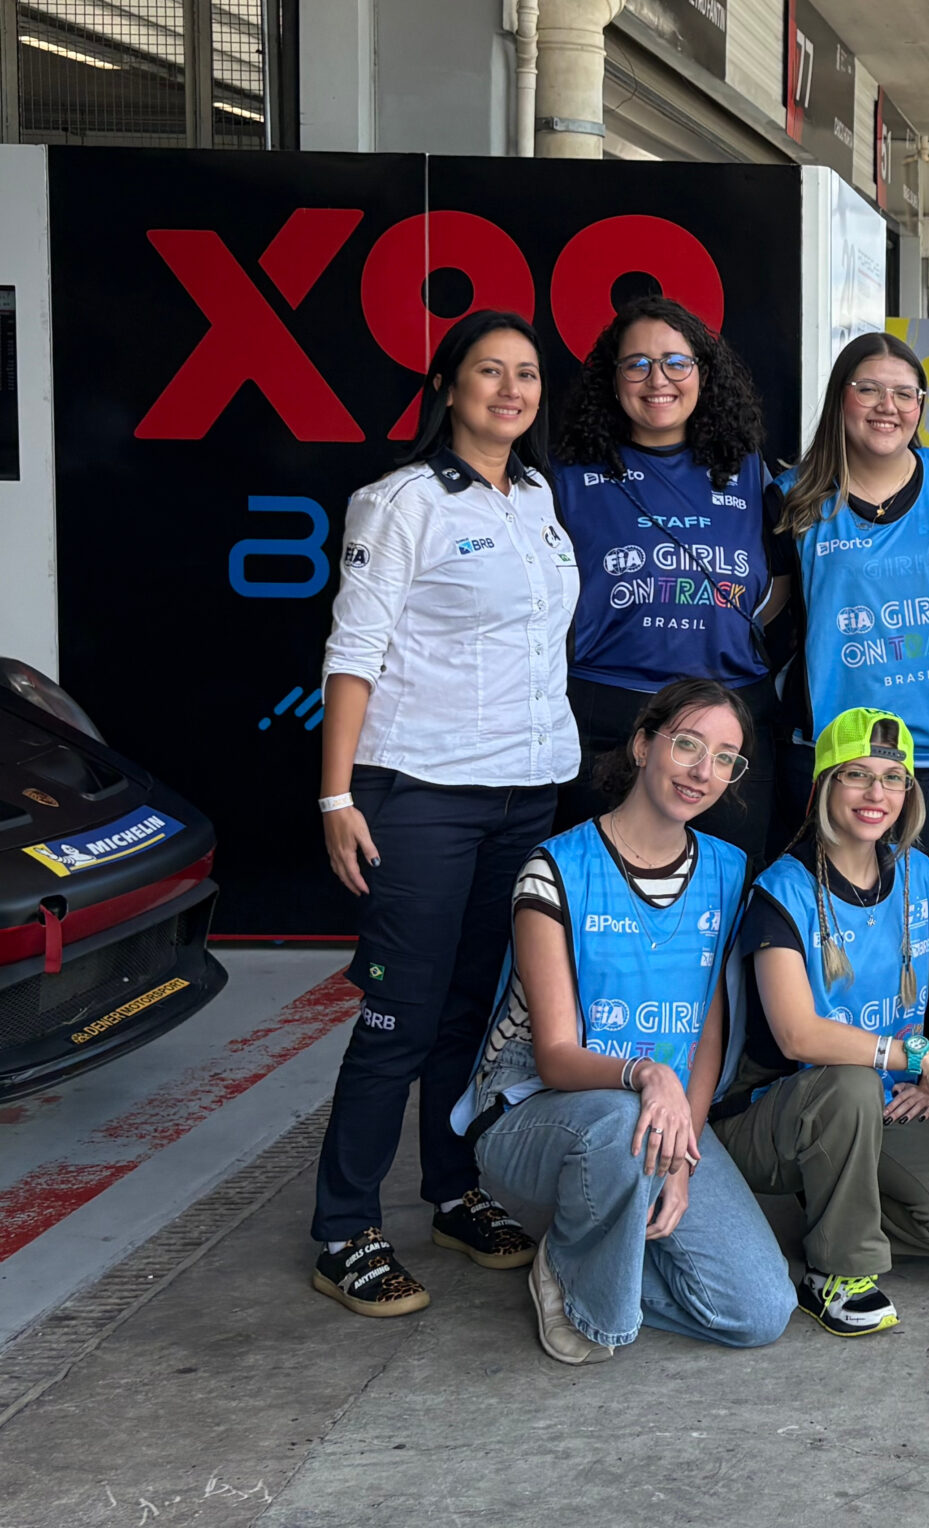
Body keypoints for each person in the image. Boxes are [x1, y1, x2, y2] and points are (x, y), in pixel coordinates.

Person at [308, 309, 577, 1318]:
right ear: (448, 388)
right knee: (397, 1017)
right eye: (488, 372)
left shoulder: (540, 499)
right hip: (418, 793)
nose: (510, 390)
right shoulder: (401, 501)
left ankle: (452, 1189)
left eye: (526, 375)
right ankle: (344, 1228)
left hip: (522, 794)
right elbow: (352, 651)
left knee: (473, 1010)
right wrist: (337, 795)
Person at [459, 679, 795, 1362]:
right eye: (688, 744)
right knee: (621, 1121)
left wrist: (682, 1157)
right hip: (540, 1113)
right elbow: (554, 1054)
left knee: (759, 1312)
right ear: (644, 744)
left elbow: (705, 1036)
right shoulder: (554, 868)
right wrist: (646, 1075)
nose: (704, 770)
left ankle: (587, 1245)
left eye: (726, 758)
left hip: (660, 1119)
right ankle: (580, 1287)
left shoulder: (730, 872)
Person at [711, 706, 929, 1337]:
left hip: (884, 1103)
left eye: (893, 779)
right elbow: (799, 1034)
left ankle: (833, 1204)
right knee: (844, 1079)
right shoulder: (782, 890)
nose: (877, 794)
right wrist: (923, 1057)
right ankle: (835, 1272)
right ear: (822, 786)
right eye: (857, 776)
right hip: (773, 1111)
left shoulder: (919, 876)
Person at [551, 296, 783, 859]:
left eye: (676, 363)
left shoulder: (749, 469)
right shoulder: (567, 477)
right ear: (614, 376)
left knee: (724, 897)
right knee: (595, 899)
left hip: (725, 718)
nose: (657, 379)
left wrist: (737, 633)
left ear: (703, 373)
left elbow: (785, 582)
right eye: (637, 364)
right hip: (603, 717)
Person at [778, 331, 929, 898]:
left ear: (921, 405)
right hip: (840, 751)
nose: (888, 407)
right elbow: (774, 620)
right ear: (839, 398)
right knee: (842, 923)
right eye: (869, 389)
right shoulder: (794, 497)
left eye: (905, 393)